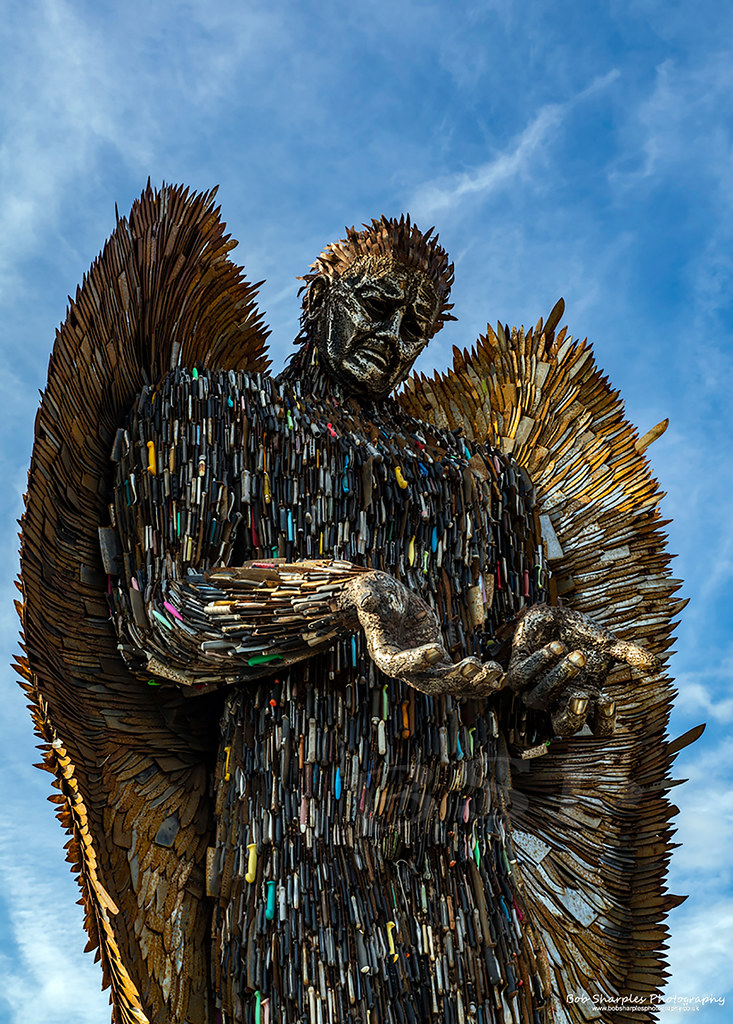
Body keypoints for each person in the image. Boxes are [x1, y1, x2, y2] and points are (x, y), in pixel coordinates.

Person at [20, 186, 679, 1024]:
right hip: (293, 863)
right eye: (374, 307)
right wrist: (343, 594)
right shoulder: (217, 416)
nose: (391, 339)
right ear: (320, 294)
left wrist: (539, 678)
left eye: (414, 326)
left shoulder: (486, 487)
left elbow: (507, 705)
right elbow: (164, 626)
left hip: (463, 877)